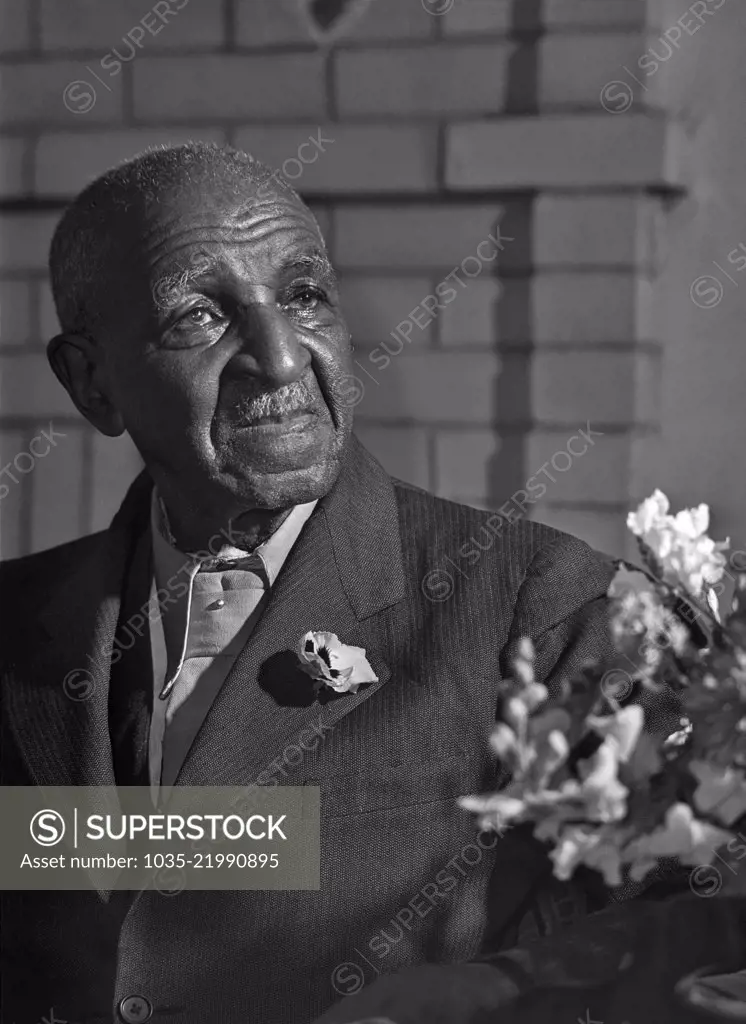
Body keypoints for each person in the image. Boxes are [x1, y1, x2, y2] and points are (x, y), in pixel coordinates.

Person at [0, 141, 655, 1024]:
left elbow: (707, 926)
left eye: (304, 296)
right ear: (91, 381)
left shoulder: (544, 607)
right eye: (200, 316)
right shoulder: (17, 627)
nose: (279, 357)